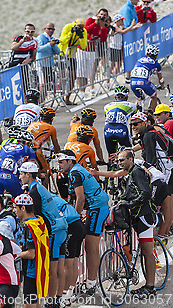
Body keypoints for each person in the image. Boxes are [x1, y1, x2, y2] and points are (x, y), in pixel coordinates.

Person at [57, 150, 109, 295]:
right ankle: (90, 282)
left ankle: (91, 283)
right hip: (96, 207)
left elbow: (80, 199)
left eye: (61, 162)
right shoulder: (77, 169)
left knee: (90, 247)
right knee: (89, 246)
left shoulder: (74, 173)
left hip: (97, 208)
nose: (59, 165)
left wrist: (73, 217)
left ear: (70, 161)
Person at [19, 162, 68, 305]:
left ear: (29, 174)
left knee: (51, 269)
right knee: (58, 268)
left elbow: (36, 216)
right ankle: (57, 299)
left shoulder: (34, 191)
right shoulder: (38, 187)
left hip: (53, 231)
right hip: (60, 228)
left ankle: (51, 302)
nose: (20, 177)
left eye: (22, 173)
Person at [115, 149, 158, 298]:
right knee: (145, 252)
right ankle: (148, 285)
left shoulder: (137, 172)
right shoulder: (132, 173)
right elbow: (131, 191)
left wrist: (130, 203)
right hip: (139, 216)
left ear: (131, 159)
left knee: (147, 252)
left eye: (122, 160)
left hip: (145, 216)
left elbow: (145, 193)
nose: (120, 162)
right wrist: (122, 199)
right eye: (118, 160)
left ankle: (150, 287)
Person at [129, 112, 173, 236]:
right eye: (131, 124)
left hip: (166, 174)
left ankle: (159, 238)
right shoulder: (153, 131)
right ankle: (164, 235)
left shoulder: (148, 135)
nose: (133, 127)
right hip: (170, 170)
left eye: (136, 124)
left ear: (144, 123)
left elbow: (150, 162)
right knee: (169, 208)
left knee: (160, 207)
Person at [13, 194, 50, 308]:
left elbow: (31, 253)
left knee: (29, 305)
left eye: (15, 207)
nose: (14, 211)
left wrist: (14, 255)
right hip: (40, 270)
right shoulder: (39, 221)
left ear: (23, 208)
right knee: (37, 304)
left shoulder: (30, 227)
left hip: (31, 272)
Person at [0, 126, 36, 197]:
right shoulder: (29, 150)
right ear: (28, 143)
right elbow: (31, 170)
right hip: (10, 177)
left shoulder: (5, 145)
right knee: (22, 200)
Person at [77, 9, 109, 98]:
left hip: (92, 49)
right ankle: (81, 90)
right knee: (81, 70)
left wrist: (102, 27)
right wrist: (95, 23)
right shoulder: (90, 20)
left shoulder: (104, 25)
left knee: (89, 70)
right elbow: (86, 30)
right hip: (83, 48)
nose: (102, 16)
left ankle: (87, 88)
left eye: (104, 15)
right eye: (101, 14)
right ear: (97, 14)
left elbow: (103, 39)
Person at [27, 106, 61, 187]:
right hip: (36, 151)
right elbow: (56, 147)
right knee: (44, 173)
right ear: (51, 120)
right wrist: (58, 153)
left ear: (40, 117)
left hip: (24, 149)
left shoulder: (33, 123)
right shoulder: (51, 128)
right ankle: (45, 195)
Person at [59, 18, 87, 105]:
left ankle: (67, 98)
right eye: (79, 26)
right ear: (75, 24)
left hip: (72, 56)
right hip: (63, 54)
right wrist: (71, 33)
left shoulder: (84, 31)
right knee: (62, 77)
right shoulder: (68, 27)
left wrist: (81, 36)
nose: (80, 28)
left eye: (82, 27)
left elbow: (84, 46)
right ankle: (61, 98)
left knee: (72, 77)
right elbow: (62, 41)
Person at [103, 86, 137, 156]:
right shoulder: (132, 105)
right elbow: (135, 120)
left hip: (108, 130)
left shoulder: (106, 106)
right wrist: (136, 135)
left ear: (115, 97)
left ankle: (111, 164)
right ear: (127, 97)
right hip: (121, 130)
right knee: (128, 153)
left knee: (111, 155)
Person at [130, 44, 165, 112]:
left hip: (133, 82)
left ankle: (133, 114)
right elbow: (160, 79)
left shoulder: (139, 60)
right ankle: (150, 115)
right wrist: (162, 86)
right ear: (156, 55)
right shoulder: (156, 64)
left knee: (140, 98)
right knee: (154, 96)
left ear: (146, 53)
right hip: (144, 82)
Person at [36, 23, 61, 93]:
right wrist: (49, 44)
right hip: (41, 65)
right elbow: (39, 49)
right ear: (45, 29)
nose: (51, 30)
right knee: (43, 85)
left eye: (52, 29)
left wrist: (54, 44)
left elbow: (58, 51)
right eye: (49, 29)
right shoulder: (40, 37)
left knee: (50, 85)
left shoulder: (52, 38)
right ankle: (40, 102)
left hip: (49, 65)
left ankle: (44, 101)